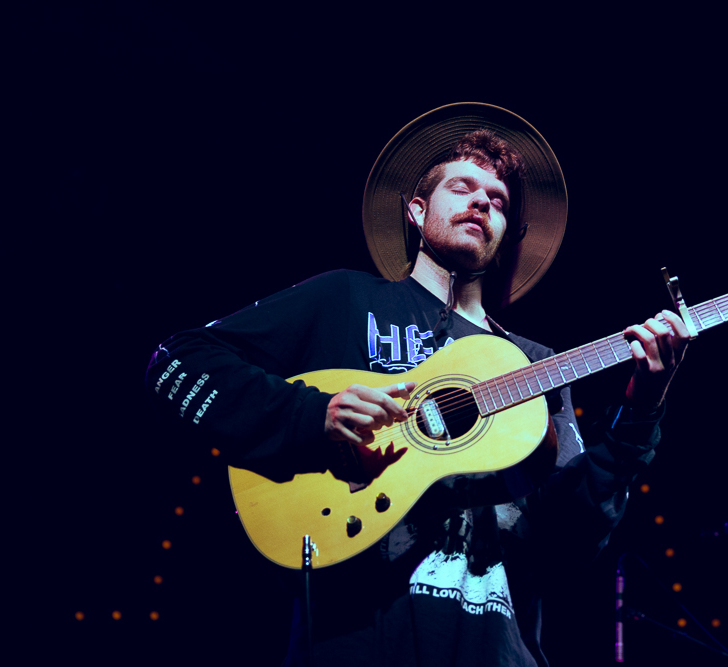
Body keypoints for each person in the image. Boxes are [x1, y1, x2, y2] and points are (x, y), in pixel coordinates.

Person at [145, 103, 690, 666]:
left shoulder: (536, 366)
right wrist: (313, 415)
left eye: (497, 200)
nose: (482, 201)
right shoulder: (345, 300)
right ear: (417, 209)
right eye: (463, 187)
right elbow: (176, 362)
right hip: (354, 644)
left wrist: (640, 411)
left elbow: (571, 544)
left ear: (507, 233)